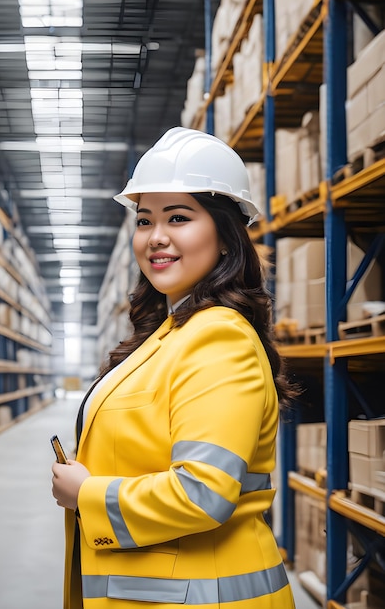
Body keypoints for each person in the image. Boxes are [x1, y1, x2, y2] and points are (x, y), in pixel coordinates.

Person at [51, 127, 298, 608]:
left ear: (225, 237)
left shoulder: (218, 338)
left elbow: (203, 492)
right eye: (144, 221)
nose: (156, 237)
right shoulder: (171, 332)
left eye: (179, 218)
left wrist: (88, 494)